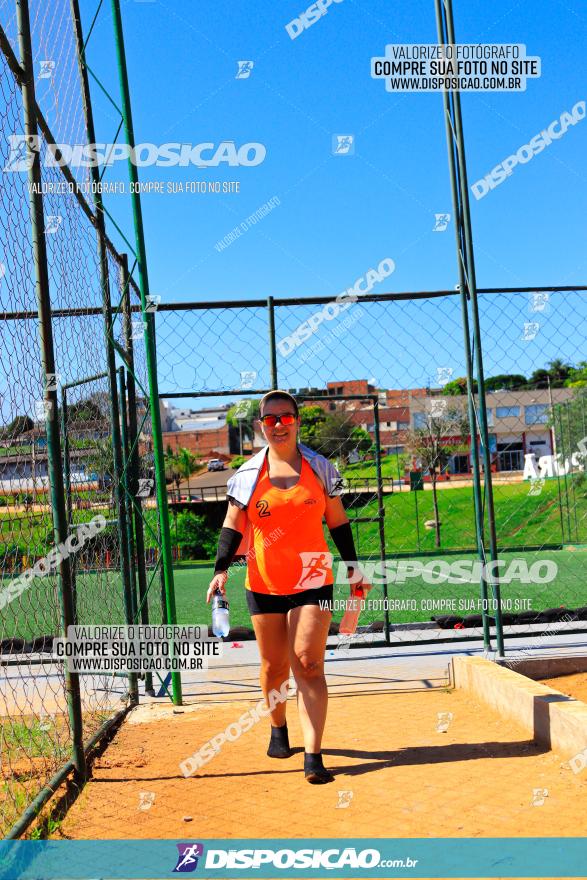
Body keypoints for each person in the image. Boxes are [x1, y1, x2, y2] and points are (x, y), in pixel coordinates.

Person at [207, 389, 371, 784]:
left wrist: (352, 567)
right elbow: (233, 524)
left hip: (312, 573)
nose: (278, 425)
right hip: (264, 578)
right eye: (270, 419)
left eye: (285, 417)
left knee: (309, 663)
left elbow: (337, 519)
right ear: (261, 425)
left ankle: (313, 756)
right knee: (273, 666)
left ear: (297, 421)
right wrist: (221, 570)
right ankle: (278, 728)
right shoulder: (246, 475)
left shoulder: (320, 468)